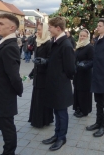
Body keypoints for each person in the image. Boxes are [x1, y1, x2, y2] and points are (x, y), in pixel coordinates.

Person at [0, 14, 23, 155]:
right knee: (4, 124)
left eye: (1, 23)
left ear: (12, 27)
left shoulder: (10, 46)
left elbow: (13, 75)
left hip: (4, 94)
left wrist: (19, 90)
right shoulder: (3, 42)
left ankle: (9, 152)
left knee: (7, 126)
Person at [40, 17, 75, 151]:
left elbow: (70, 68)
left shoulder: (65, 45)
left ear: (58, 28)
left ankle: (62, 137)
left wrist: (62, 77)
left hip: (61, 85)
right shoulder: (55, 42)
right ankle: (56, 134)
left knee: (61, 112)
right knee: (56, 110)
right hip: (54, 83)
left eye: (50, 27)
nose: (48, 29)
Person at [28, 23, 54, 128]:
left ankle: (43, 120)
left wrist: (44, 61)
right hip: (38, 74)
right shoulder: (38, 42)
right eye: (37, 30)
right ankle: (35, 119)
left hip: (45, 76)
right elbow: (37, 58)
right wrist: (32, 72)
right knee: (36, 98)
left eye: (39, 30)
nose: (37, 32)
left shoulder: (48, 43)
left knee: (42, 99)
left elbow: (51, 59)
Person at [73, 29, 94, 118]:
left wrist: (84, 65)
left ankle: (84, 110)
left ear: (87, 37)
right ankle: (78, 108)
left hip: (85, 74)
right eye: (81, 36)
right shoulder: (78, 46)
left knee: (84, 92)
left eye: (84, 36)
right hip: (77, 73)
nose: (82, 37)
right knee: (77, 91)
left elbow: (92, 61)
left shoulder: (89, 47)